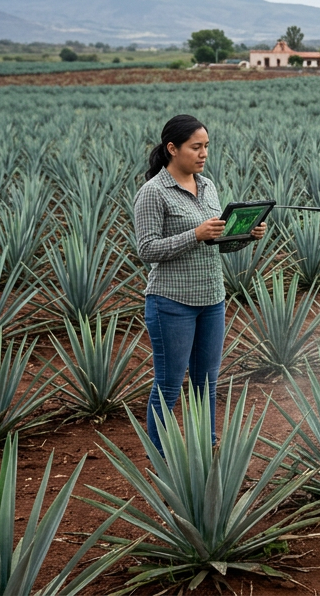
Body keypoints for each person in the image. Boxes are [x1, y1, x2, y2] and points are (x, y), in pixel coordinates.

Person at [132, 114, 265, 453]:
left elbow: (217, 244)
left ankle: (207, 449)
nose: (203, 153)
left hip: (212, 300)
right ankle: (163, 459)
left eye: (206, 146)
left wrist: (246, 235)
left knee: (206, 383)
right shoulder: (153, 192)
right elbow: (147, 250)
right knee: (169, 385)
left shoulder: (207, 186)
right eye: (196, 147)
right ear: (172, 148)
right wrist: (194, 234)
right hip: (171, 302)